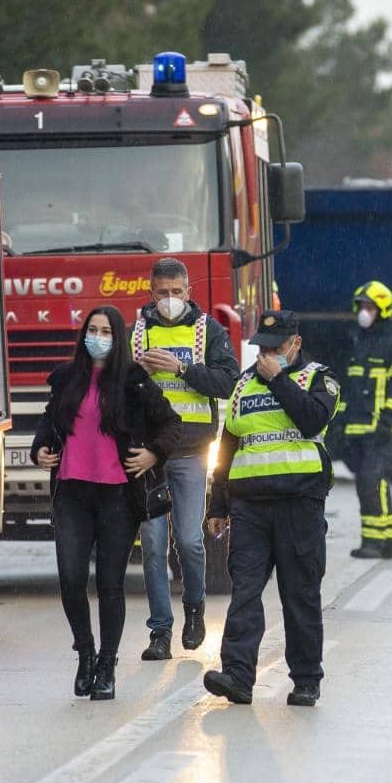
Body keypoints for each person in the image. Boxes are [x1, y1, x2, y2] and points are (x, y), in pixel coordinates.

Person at [31, 305, 180, 700]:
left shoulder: (134, 382)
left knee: (110, 583)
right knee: (71, 579)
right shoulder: (67, 379)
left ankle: (108, 665)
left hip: (117, 495)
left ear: (118, 339)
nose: (97, 337)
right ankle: (85, 653)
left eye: (106, 331)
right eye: (91, 330)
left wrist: (152, 454)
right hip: (72, 494)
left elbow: (171, 425)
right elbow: (48, 424)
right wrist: (40, 450)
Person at [203, 310, 338, 708]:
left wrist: (279, 379)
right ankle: (238, 676)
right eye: (261, 346)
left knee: (300, 596)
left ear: (295, 343)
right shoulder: (243, 384)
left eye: (275, 347)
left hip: (300, 504)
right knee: (244, 592)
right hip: (250, 507)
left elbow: (312, 420)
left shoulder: (318, 378)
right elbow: (228, 446)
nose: (265, 354)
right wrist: (218, 503)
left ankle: (307, 680)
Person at [132, 257, 239, 662]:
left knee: (191, 542)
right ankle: (160, 631)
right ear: (151, 291)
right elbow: (119, 390)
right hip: (151, 456)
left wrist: (182, 368)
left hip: (192, 451)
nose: (170, 300)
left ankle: (194, 609)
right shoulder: (137, 332)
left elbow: (227, 382)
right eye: (163, 293)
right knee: (154, 544)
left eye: (178, 292)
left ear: (189, 292)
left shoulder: (207, 330)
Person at [335, 281, 392, 560]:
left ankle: (373, 542)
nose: (363, 313)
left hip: (382, 429)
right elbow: (350, 386)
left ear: (383, 309)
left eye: (369, 307)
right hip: (358, 429)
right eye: (361, 307)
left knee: (370, 482)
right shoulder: (359, 341)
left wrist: (388, 418)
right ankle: (389, 538)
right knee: (374, 482)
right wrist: (341, 422)